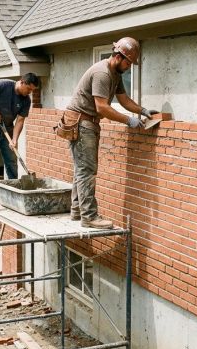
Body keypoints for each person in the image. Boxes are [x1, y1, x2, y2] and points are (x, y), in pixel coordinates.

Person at [65, 37, 158, 229]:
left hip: (86, 122)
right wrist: (128, 120)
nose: (130, 67)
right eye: (129, 62)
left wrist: (142, 111)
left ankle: (77, 211)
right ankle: (89, 217)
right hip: (81, 122)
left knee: (82, 169)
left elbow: (124, 100)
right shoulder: (103, 73)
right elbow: (102, 108)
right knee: (87, 170)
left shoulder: (116, 73)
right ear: (118, 56)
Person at [0, 73, 40, 203]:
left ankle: (13, 188)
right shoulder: (3, 84)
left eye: (32, 91)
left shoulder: (26, 100)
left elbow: (20, 121)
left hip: (7, 127)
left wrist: (15, 139)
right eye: (29, 89)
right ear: (22, 82)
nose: (29, 93)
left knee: (11, 160)